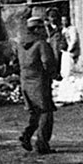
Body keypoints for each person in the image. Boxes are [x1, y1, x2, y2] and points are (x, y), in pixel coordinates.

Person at [18, 16, 58, 154]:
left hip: (25, 81)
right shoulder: (41, 44)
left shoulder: (21, 44)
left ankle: (27, 135)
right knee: (46, 112)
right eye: (41, 27)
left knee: (35, 112)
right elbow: (47, 61)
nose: (44, 30)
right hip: (39, 81)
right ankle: (42, 144)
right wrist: (54, 74)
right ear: (36, 29)